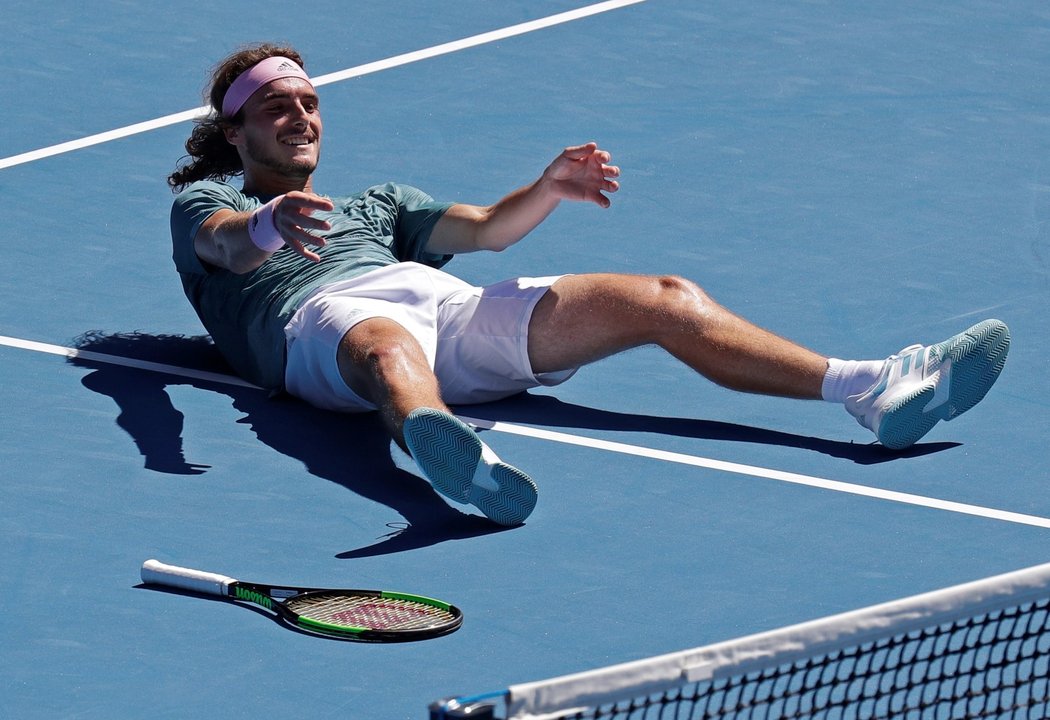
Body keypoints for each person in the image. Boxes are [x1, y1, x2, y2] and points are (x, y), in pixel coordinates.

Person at [168, 43, 1010, 527]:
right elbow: (226, 246)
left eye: (309, 102)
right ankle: (454, 456)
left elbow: (484, 231)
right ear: (235, 133)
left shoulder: (377, 203)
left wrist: (546, 190)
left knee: (663, 298)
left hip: (446, 315)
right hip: (319, 326)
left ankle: (874, 391)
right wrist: (271, 225)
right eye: (276, 107)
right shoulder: (211, 202)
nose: (301, 116)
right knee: (385, 343)